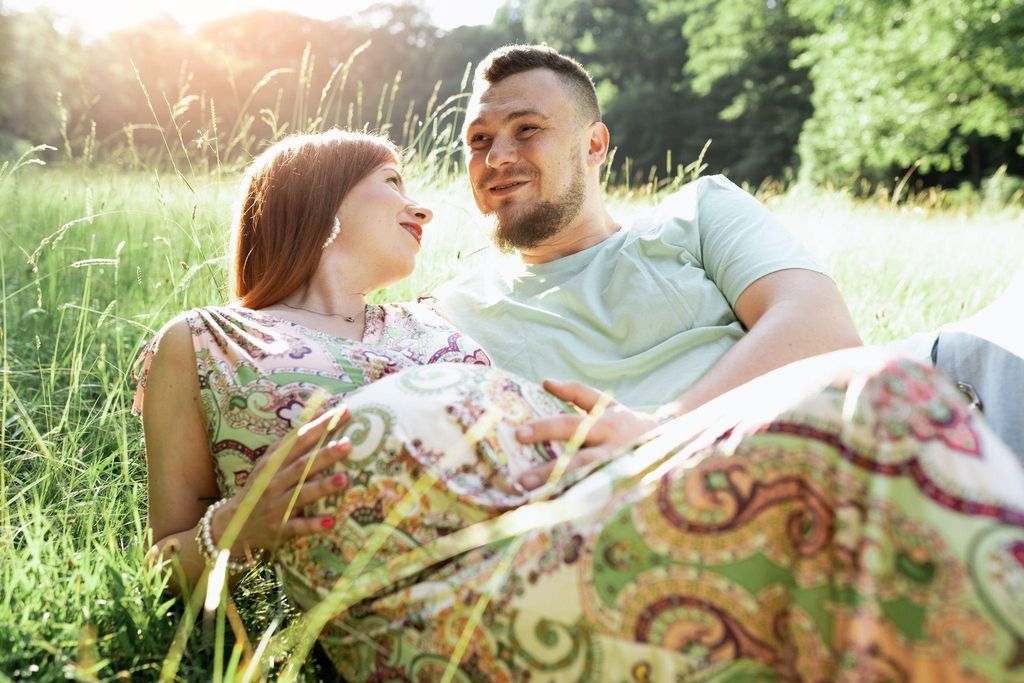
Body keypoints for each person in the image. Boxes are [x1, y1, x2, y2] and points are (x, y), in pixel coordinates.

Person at [135, 131, 1023, 679]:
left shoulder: (436, 327)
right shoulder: (207, 341)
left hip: (560, 531)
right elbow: (164, 564)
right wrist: (244, 527)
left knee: (876, 395)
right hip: (422, 609)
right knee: (877, 404)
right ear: (318, 196)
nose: (427, 206)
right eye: (396, 183)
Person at [433, 45, 864, 490]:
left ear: (594, 145)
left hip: (791, 460)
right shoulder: (453, 315)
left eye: (526, 129)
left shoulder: (700, 213)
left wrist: (664, 434)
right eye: (478, 140)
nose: (496, 157)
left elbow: (826, 334)